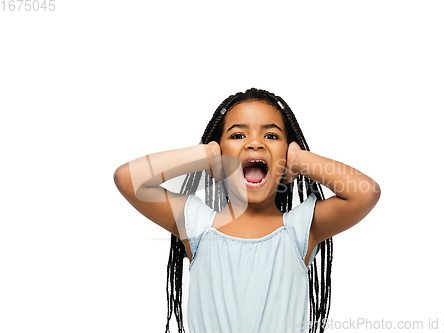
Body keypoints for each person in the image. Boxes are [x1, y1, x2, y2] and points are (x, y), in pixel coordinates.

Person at [113, 88, 381, 333]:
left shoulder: (301, 229)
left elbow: (365, 192)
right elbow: (128, 178)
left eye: (271, 135)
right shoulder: (196, 226)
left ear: (287, 158)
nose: (255, 143)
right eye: (238, 135)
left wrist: (301, 161)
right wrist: (205, 156)